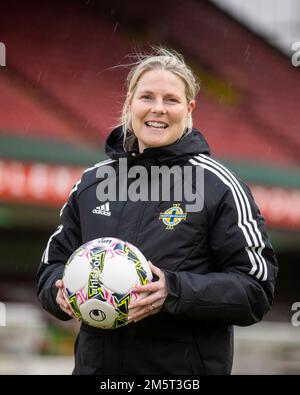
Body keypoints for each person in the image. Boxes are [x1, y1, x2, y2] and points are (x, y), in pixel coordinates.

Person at [36, 47, 278, 375]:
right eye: (147, 97)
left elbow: (255, 290)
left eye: (171, 100)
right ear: (130, 103)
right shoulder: (92, 184)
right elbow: (51, 267)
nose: (158, 109)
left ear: (189, 108)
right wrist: (60, 292)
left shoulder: (218, 186)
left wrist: (172, 290)